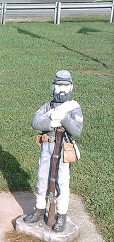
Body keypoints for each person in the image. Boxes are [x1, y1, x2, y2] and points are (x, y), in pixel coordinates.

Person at [24, 70, 83, 232]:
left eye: (65, 86)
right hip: (47, 146)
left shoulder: (73, 108)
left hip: (63, 149)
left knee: (62, 181)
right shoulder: (47, 106)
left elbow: (77, 130)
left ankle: (61, 214)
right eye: (58, 86)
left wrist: (63, 117)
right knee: (42, 177)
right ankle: (39, 209)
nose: (61, 90)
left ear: (71, 87)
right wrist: (52, 121)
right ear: (53, 87)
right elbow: (36, 122)